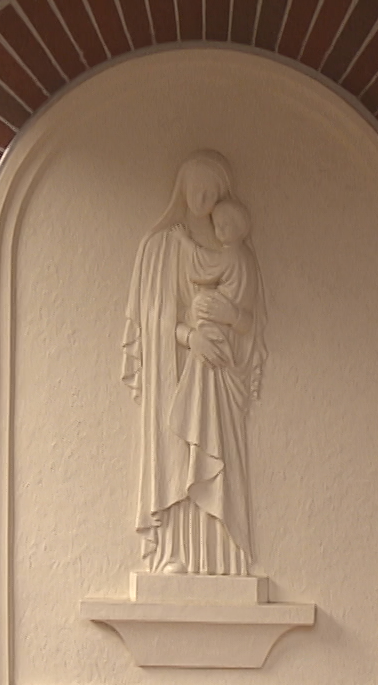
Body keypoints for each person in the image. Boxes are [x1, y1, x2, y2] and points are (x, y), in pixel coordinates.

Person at [120, 150, 266, 576]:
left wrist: (230, 317)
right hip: (174, 372)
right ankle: (174, 552)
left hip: (219, 374)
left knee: (217, 453)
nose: (202, 197)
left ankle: (222, 556)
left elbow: (251, 324)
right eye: (195, 187)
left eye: (212, 190)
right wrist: (191, 338)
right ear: (181, 188)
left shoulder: (235, 253)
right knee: (176, 450)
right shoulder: (159, 247)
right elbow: (152, 320)